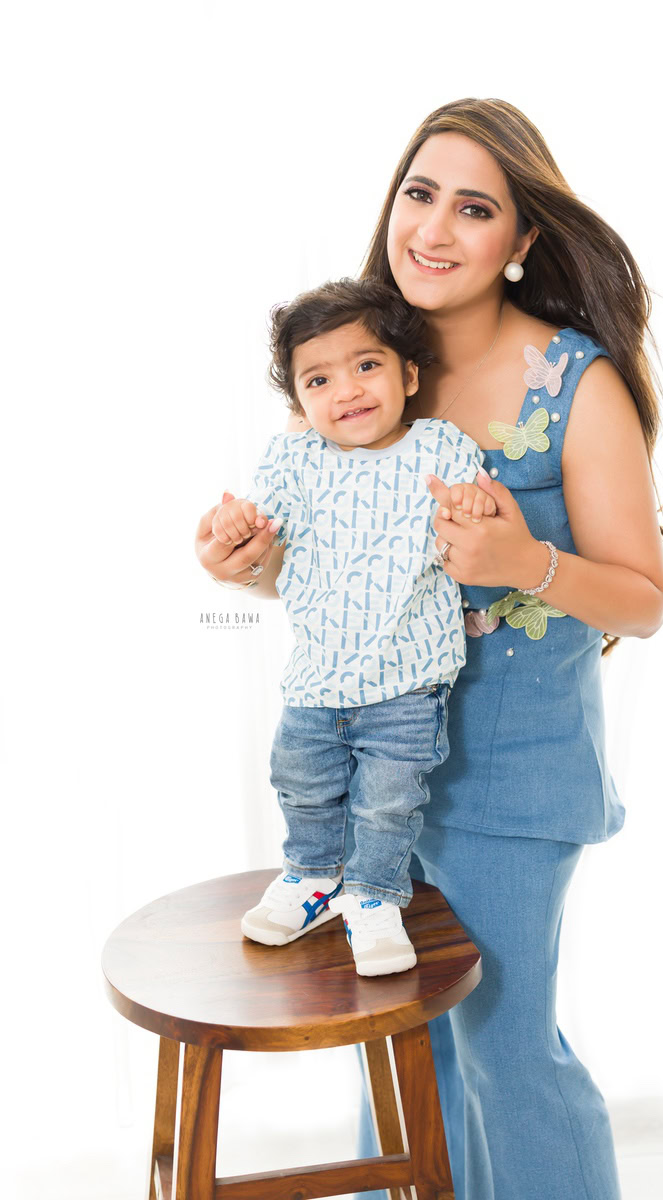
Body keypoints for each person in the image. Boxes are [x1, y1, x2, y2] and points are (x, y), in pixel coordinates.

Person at [195, 98, 663, 1199]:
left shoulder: (572, 385)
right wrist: (248, 562)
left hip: (510, 777)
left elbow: (642, 600)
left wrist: (522, 561)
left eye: (474, 207)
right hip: (372, 771)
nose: (434, 228)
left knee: (504, 1052)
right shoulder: (356, 372)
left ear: (520, 244)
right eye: (418, 194)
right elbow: (331, 578)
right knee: (395, 1054)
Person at [207, 277, 497, 977]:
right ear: (299, 401)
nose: (348, 390)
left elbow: (475, 519)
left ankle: (373, 897)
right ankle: (311, 877)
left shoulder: (439, 448)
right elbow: (258, 531)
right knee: (301, 780)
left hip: (407, 681)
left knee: (390, 802)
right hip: (316, 677)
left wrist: (467, 505)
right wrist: (237, 526)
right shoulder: (294, 462)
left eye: (367, 365)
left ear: (408, 371)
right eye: (319, 379)